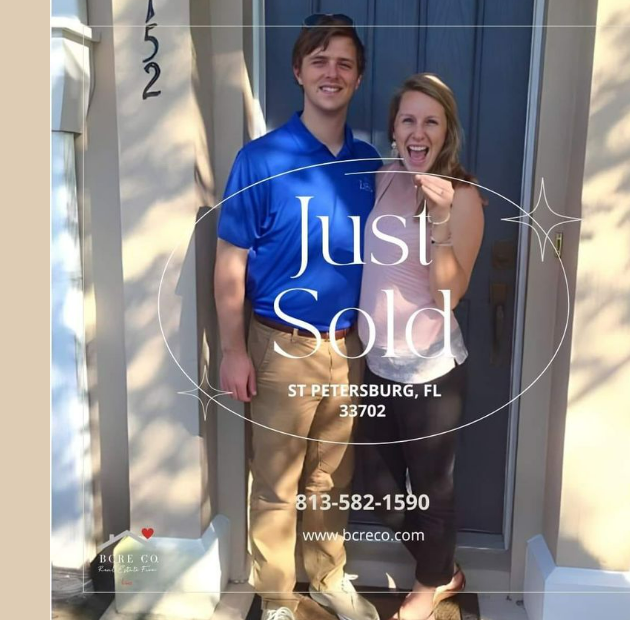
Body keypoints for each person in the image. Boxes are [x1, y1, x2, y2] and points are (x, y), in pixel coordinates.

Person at [214, 14, 381, 620]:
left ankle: (328, 576)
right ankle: (280, 600)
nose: (330, 72)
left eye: (343, 62)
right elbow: (229, 262)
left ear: (358, 77)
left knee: (332, 476)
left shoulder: (370, 165)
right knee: (279, 483)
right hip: (280, 345)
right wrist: (233, 349)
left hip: (347, 346)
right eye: (319, 60)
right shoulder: (260, 160)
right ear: (298, 71)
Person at [356, 74, 485, 620]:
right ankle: (444, 566)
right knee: (384, 493)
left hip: (430, 369)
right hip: (375, 364)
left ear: (445, 132)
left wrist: (437, 221)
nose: (417, 131)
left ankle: (431, 583)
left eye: (430, 121)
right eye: (408, 119)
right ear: (394, 128)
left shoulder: (463, 196)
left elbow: (448, 294)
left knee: (431, 490)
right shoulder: (382, 176)